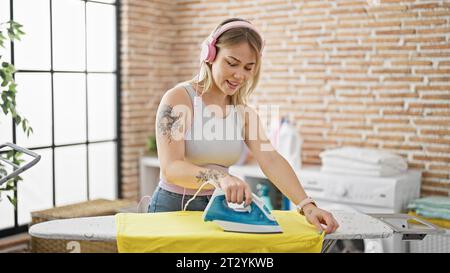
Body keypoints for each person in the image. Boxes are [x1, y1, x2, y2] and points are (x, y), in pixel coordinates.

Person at [150, 18, 339, 234]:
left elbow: (271, 159)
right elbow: (171, 167)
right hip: (173, 207)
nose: (240, 75)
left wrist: (307, 206)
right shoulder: (179, 98)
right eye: (231, 63)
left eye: (249, 68)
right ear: (209, 56)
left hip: (215, 209)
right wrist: (220, 177)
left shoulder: (244, 112)